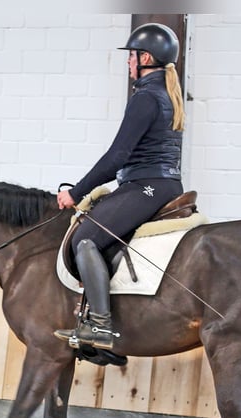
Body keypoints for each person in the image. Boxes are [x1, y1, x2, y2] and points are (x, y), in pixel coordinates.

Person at [54, 22, 186, 351]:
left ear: (146, 58)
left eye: (132, 56)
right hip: (161, 183)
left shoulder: (146, 97)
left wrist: (76, 192)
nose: (128, 62)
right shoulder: (166, 94)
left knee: (85, 239)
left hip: (146, 185)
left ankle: (100, 325)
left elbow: (117, 156)